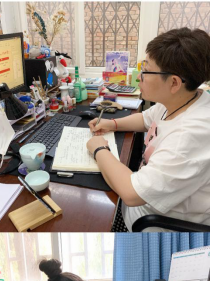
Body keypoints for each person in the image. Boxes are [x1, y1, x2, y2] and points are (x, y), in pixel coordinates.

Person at [87, 27, 210, 231]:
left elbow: (130, 193)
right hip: (146, 197)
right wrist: (112, 124)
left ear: (174, 83)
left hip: (153, 223)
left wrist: (99, 148)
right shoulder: (186, 98)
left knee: (87, 210)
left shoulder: (189, 136)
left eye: (145, 71)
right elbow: (146, 118)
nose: (139, 77)